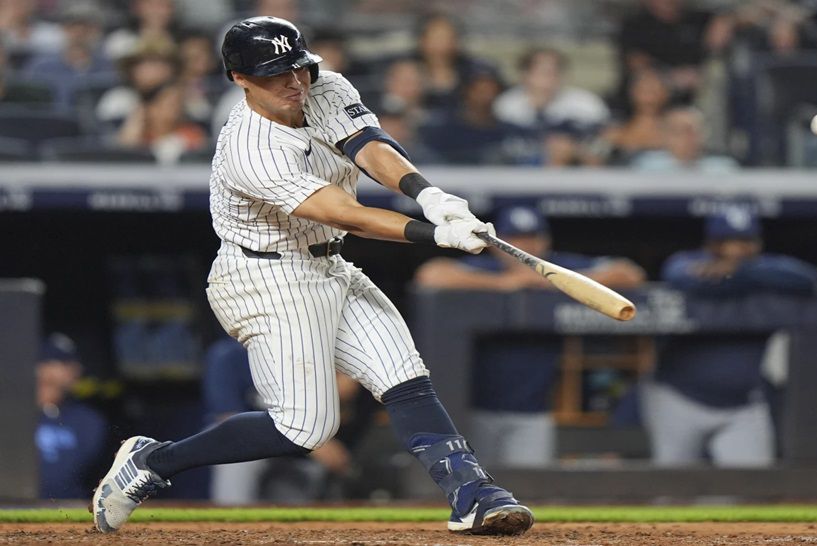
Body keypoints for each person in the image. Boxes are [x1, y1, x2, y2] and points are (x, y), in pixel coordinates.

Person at [92, 16, 533, 536]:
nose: (294, 81)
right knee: (305, 428)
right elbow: (346, 213)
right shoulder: (249, 148)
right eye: (276, 74)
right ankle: (152, 461)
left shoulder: (324, 86)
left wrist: (427, 194)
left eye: (298, 67)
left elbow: (367, 144)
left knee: (403, 376)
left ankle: (474, 494)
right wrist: (434, 234)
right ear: (240, 78)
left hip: (328, 264)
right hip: (265, 277)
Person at [414, 206, 645, 466]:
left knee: (528, 484)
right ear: (496, 243)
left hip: (534, 411)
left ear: (545, 240)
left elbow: (629, 273)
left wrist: (556, 282)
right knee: (474, 480)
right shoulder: (486, 267)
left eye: (531, 238)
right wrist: (504, 284)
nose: (524, 246)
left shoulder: (557, 268)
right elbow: (430, 274)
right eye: (515, 239)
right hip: (474, 409)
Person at [640, 207, 817, 467]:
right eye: (727, 241)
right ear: (711, 243)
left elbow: (809, 279)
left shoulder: (766, 267)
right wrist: (738, 276)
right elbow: (679, 276)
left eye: (745, 241)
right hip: (678, 398)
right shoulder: (686, 261)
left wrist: (739, 271)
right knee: (671, 484)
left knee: (752, 485)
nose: (737, 249)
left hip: (742, 405)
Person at [204, 337, 375, 504]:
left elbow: (344, 422)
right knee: (237, 451)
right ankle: (231, 517)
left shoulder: (314, 354)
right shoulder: (231, 354)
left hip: (295, 458)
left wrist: (335, 396)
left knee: (298, 504)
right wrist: (306, 439)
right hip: (253, 448)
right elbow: (230, 422)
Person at [493, 47, 610, 166]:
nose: (550, 77)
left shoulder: (586, 103)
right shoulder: (507, 105)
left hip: (580, 167)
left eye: (556, 71)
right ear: (525, 74)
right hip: (521, 168)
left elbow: (606, 144)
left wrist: (574, 149)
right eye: (543, 72)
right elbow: (503, 147)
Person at [419, 66, 541, 166]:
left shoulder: (512, 132)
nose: (486, 96)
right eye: (479, 90)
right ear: (465, 92)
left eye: (491, 90)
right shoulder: (442, 132)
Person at [35, 333, 108, 499]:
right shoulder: (11, 414)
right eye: (60, 364)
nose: (74, 371)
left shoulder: (88, 420)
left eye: (71, 366)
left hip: (69, 506)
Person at [19, 1, 115, 111]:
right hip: (53, 119)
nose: (79, 33)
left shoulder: (109, 68)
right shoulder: (41, 66)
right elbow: (29, 104)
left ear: (98, 31)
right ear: (63, 29)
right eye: (73, 27)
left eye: (86, 28)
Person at [633, 106, 739, 172]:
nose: (689, 138)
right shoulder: (647, 167)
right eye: (681, 131)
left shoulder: (723, 169)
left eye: (695, 131)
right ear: (666, 136)